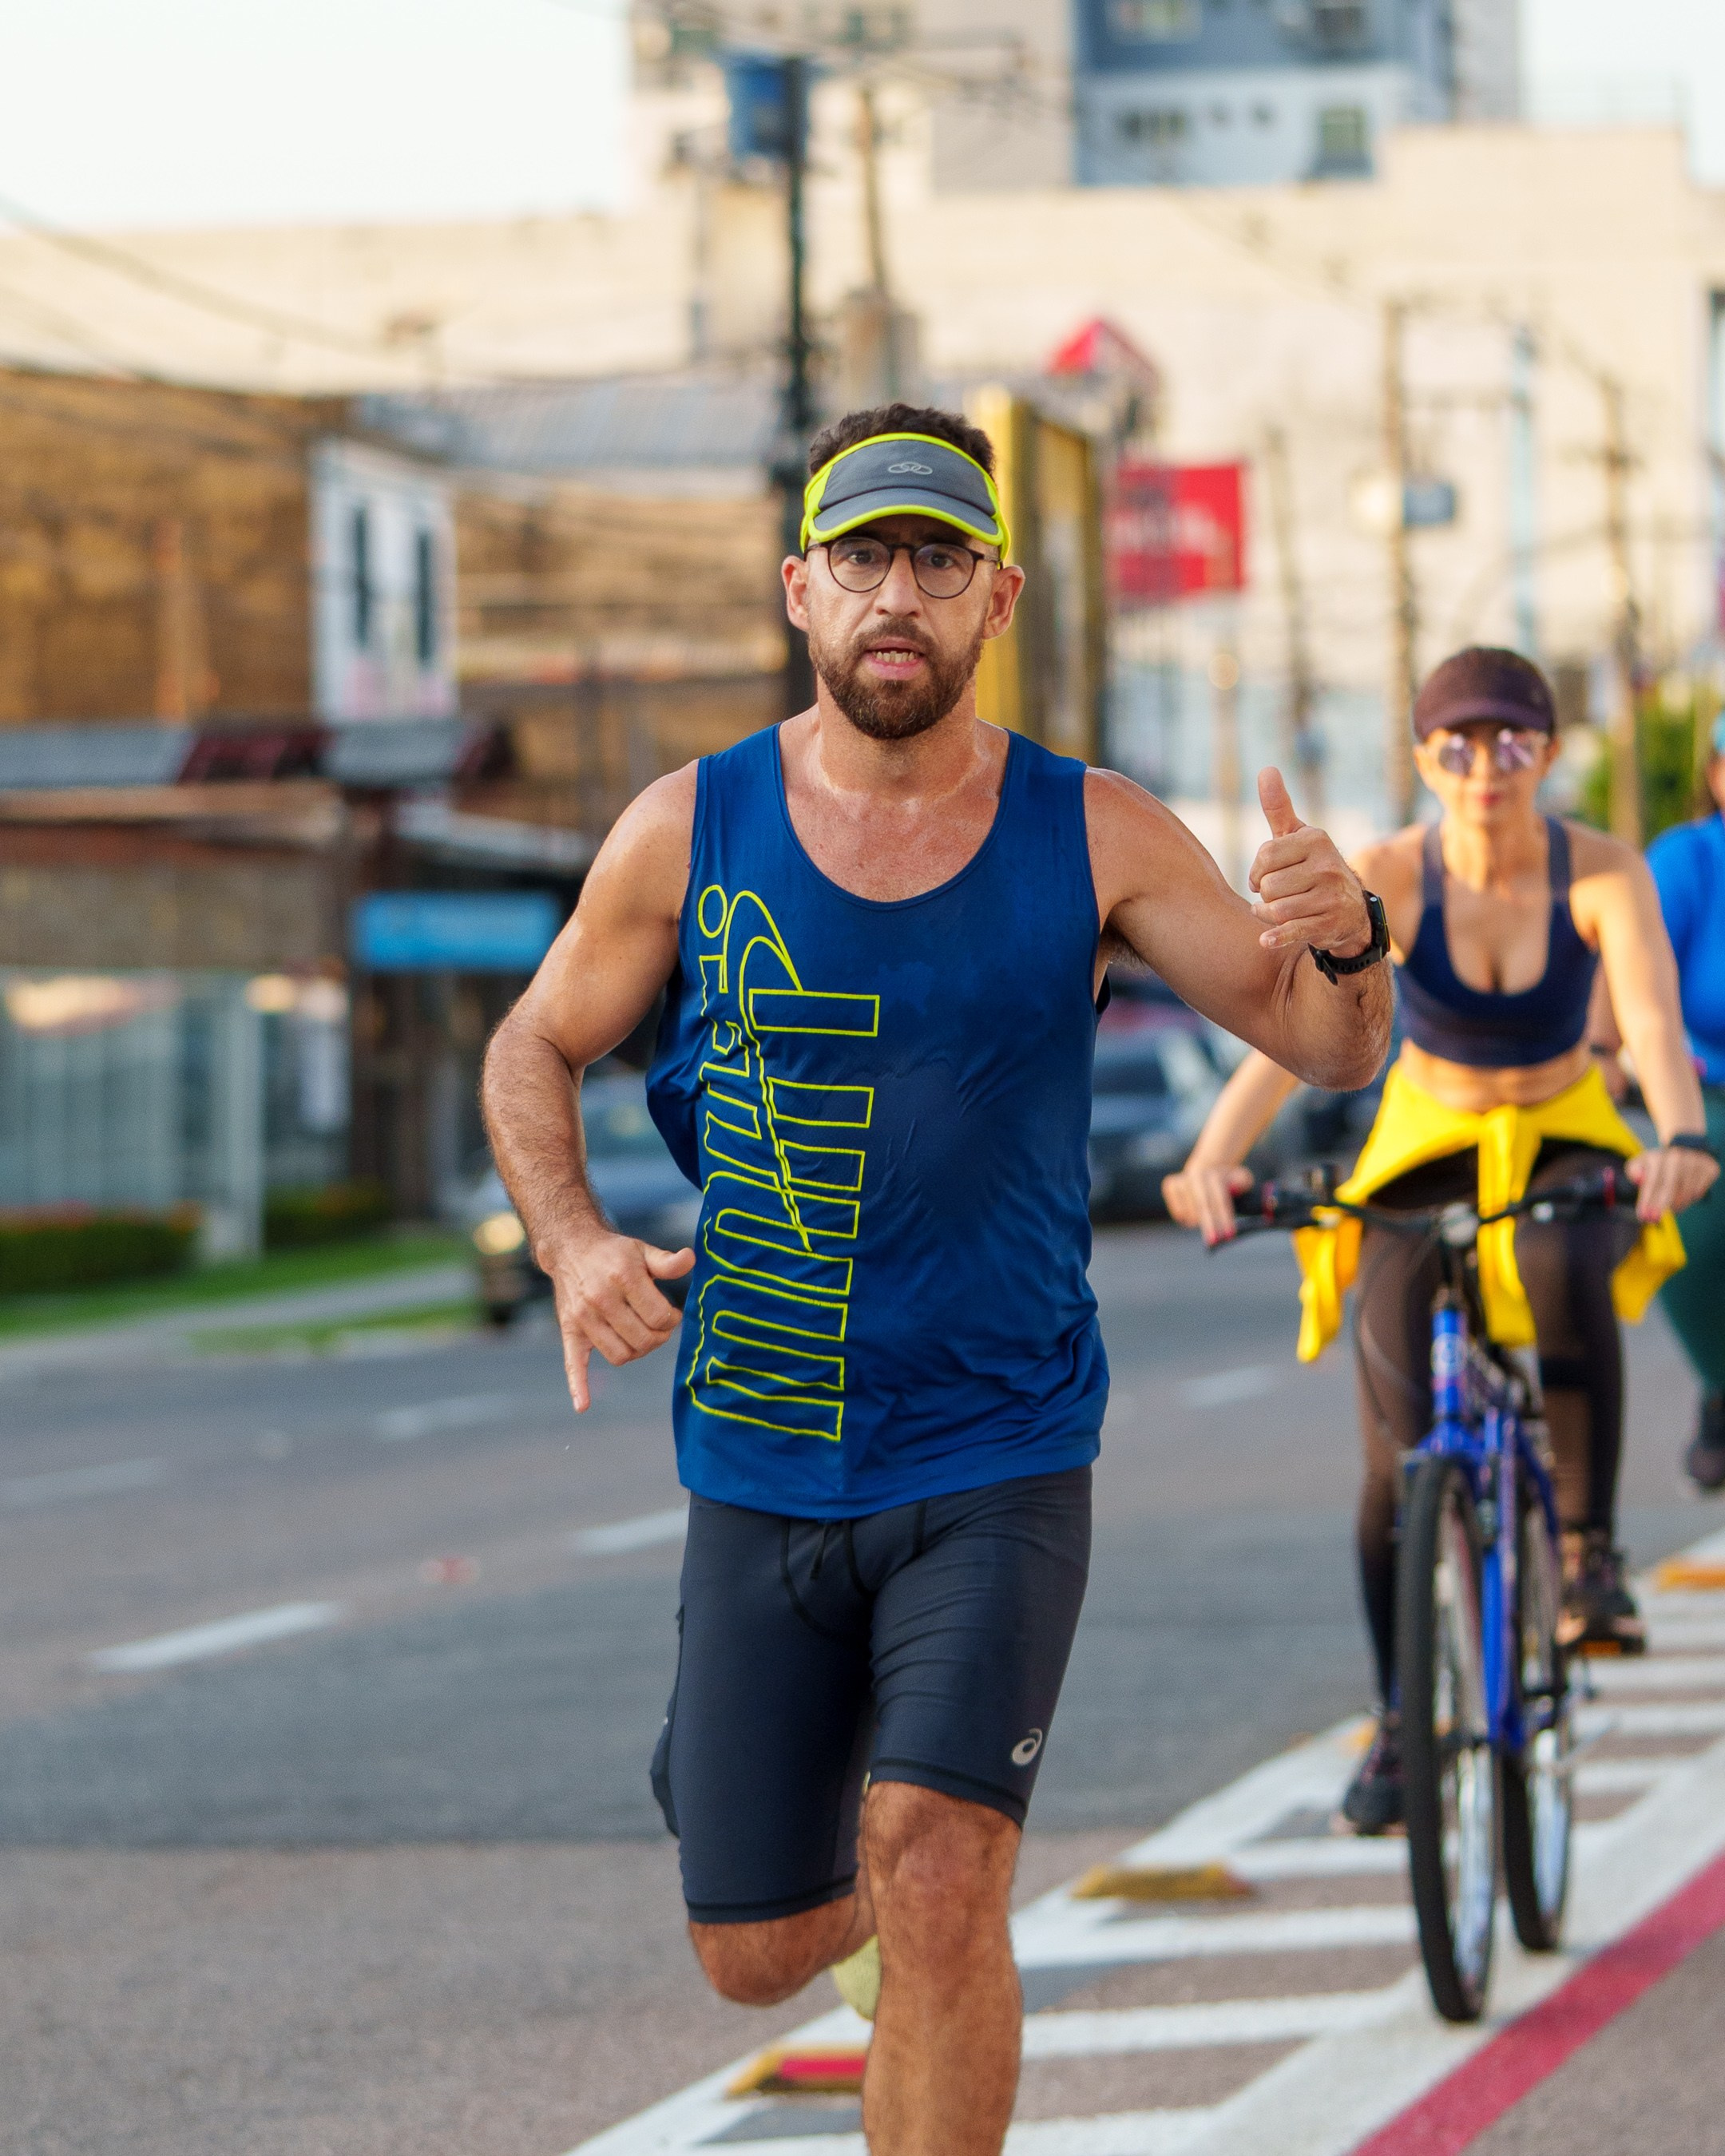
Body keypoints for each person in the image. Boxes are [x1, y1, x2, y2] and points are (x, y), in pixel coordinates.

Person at [481, 402, 1391, 2156]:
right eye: (863, 556)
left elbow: (1324, 1045)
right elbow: (533, 1045)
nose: (898, 591)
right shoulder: (690, 828)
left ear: (999, 597)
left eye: (938, 557)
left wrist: (1346, 931)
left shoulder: (1099, 831)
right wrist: (573, 1238)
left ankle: (929, 1936)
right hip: (757, 1448)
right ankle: (868, 1916)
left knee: (942, 1863)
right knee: (751, 1949)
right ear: (798, 590)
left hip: (1001, 1448)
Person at [1163, 646, 1718, 1835]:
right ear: (1423, 758)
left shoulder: (1604, 872)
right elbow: (1294, 1027)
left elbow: (1658, 1024)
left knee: (1572, 1259)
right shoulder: (1393, 874)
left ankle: (1588, 1552)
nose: (1485, 769)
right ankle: (1405, 1725)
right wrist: (1212, 1159)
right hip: (1430, 1135)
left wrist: (1678, 1134)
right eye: (1457, 746)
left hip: (1564, 1123)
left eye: (1512, 743)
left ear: (1549, 756)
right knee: (1395, 1454)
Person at [1647, 712, 1725, 1490]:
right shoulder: (1688, 860)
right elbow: (1638, 984)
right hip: (1707, 1089)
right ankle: (1721, 1388)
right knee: (1691, 1235)